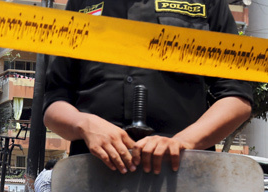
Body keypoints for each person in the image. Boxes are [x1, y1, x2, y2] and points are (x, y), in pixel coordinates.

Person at [44, 0, 252, 176]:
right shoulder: (80, 4)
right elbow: (54, 103)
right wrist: (84, 123)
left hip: (183, 180)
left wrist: (182, 142)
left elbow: (236, 97)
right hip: (94, 180)